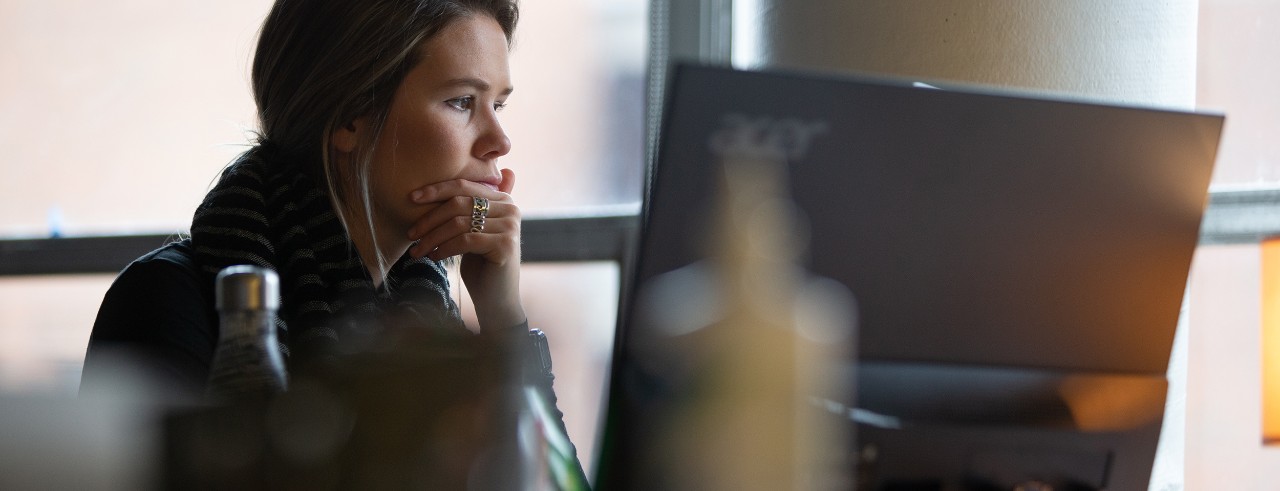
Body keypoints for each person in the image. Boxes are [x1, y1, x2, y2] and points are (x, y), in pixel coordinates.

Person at [80, 0, 587, 484]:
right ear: (349, 116)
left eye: (498, 104)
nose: (499, 140)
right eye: (462, 102)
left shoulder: (425, 329)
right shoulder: (164, 300)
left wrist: (503, 318)